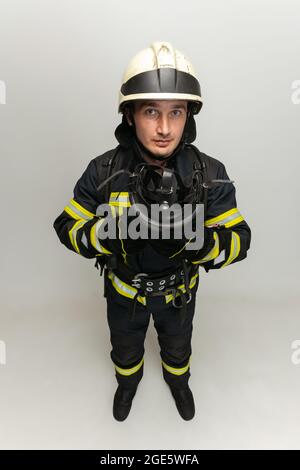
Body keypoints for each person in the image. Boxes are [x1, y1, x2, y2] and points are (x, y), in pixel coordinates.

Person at [53, 41, 251, 422]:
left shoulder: (209, 174)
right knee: (125, 348)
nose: (164, 128)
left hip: (178, 295)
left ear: (189, 116)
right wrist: (104, 236)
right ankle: (128, 384)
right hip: (123, 296)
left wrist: (198, 243)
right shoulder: (102, 170)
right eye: (150, 112)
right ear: (129, 116)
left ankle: (179, 382)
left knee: (177, 347)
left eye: (175, 112)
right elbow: (66, 226)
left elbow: (240, 240)